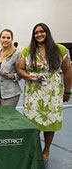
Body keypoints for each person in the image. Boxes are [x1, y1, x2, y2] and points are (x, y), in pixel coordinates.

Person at [17, 23, 71, 163]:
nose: (39, 34)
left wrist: (67, 92)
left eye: (42, 32)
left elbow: (67, 72)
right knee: (33, 123)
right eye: (36, 33)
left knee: (49, 122)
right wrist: (31, 77)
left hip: (52, 92)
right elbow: (20, 69)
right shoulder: (28, 51)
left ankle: (46, 149)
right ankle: (34, 149)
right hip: (33, 93)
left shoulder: (60, 50)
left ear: (47, 32)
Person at [0, 29, 22, 108]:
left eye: (8, 38)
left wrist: (13, 76)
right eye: (3, 37)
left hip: (10, 93)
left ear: (11, 39)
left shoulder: (16, 54)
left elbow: (22, 73)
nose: (5, 40)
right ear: (0, 39)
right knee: (1, 117)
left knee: (7, 117)